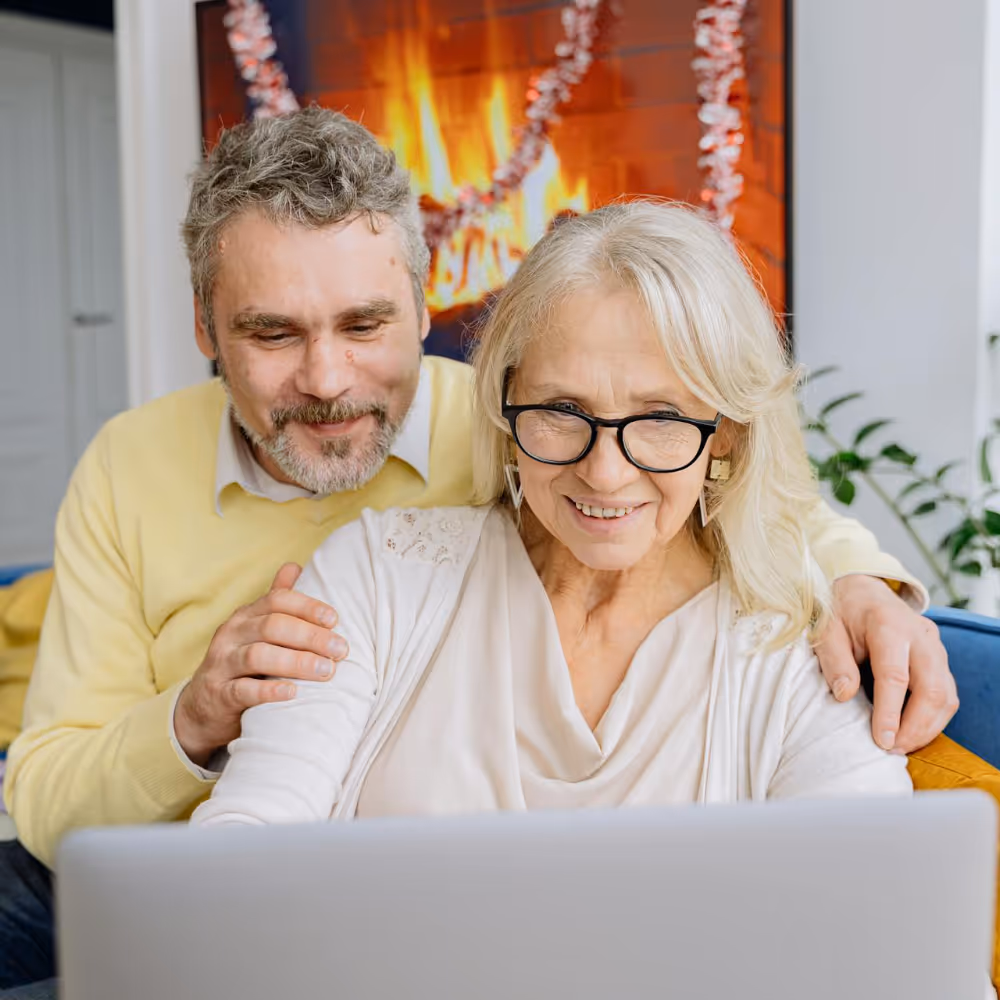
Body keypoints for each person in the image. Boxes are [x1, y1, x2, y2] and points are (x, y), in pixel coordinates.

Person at [0, 110, 954, 992]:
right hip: (160, 871)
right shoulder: (147, 476)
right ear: (208, 329)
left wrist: (861, 582)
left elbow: (742, 493)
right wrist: (197, 718)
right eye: (273, 332)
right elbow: (60, 799)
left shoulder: (513, 414)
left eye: (366, 324)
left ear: (424, 311)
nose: (329, 379)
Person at [192, 199, 915, 832]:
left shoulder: (799, 656)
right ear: (506, 406)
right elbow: (247, 843)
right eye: (562, 412)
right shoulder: (375, 579)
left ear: (724, 431)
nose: (604, 471)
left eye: (659, 417)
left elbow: (887, 931)